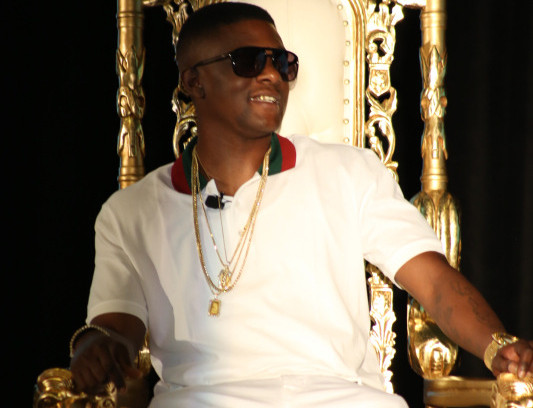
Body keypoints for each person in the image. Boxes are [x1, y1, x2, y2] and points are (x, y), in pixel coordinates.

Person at [69, 3, 533, 407]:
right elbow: (117, 328)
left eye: (282, 63)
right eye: (248, 61)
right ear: (194, 81)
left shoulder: (351, 172)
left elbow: (434, 283)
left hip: (341, 398)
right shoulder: (130, 213)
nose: (271, 74)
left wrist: (498, 348)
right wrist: (96, 347)